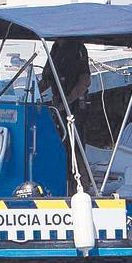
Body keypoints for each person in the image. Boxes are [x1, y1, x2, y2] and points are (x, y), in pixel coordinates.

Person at [38, 38, 92, 192]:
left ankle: (83, 188)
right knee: (61, 147)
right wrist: (29, 92)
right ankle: (62, 184)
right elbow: (47, 79)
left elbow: (85, 81)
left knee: (76, 147)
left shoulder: (78, 48)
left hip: (75, 107)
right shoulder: (55, 48)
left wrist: (67, 102)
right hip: (58, 106)